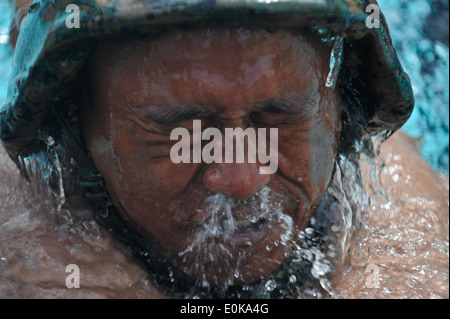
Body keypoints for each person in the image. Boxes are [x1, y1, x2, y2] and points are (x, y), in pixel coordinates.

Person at [0, 0, 447, 299]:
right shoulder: (19, 203)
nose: (241, 178)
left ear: (342, 114)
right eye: (186, 129)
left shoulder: (391, 193)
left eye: (279, 117)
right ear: (72, 119)